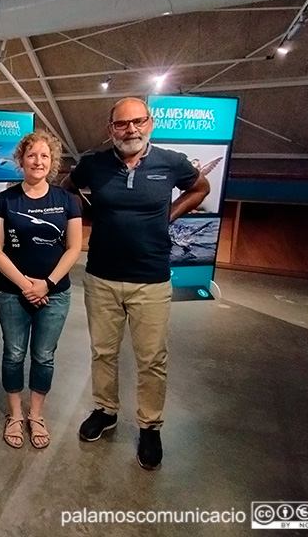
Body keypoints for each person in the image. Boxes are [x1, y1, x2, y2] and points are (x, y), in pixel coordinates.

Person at [64, 97, 210, 470]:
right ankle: (105, 410)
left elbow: (200, 188)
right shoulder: (94, 165)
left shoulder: (171, 162)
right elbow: (67, 189)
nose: (130, 130)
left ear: (150, 123)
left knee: (151, 359)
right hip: (101, 278)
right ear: (109, 128)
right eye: (121, 124)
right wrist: (83, 220)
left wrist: (169, 216)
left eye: (137, 122)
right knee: (103, 352)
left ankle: (149, 426)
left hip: (151, 280)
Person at [0, 130, 82, 449]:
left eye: (44, 155)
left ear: (52, 161)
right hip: (11, 293)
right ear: (21, 160)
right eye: (31, 155)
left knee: (44, 355)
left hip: (55, 293)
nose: (38, 161)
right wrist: (27, 284)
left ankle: (36, 415)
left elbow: (73, 248)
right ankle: (14, 414)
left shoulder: (67, 200)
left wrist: (48, 283)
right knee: (14, 353)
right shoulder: (5, 200)